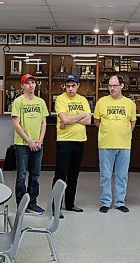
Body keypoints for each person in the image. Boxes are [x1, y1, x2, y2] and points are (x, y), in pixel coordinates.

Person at [94, 75, 136, 213]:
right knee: (105, 175)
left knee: (122, 175)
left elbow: (132, 122)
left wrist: (123, 133)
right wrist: (108, 131)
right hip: (106, 144)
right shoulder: (101, 102)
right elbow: (97, 121)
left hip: (124, 145)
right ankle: (105, 202)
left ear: (122, 86)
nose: (111, 88)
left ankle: (119, 202)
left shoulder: (130, 104)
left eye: (114, 86)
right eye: (110, 86)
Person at [52, 75, 91, 214]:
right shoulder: (61, 99)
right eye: (68, 86)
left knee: (73, 175)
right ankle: (55, 207)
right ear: (65, 86)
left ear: (78, 86)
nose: (70, 88)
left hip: (79, 141)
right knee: (61, 175)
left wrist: (70, 119)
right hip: (64, 141)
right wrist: (80, 115)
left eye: (73, 85)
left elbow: (88, 121)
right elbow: (65, 119)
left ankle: (70, 204)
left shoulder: (83, 100)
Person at [12, 74, 49, 214]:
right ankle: (21, 205)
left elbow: (44, 122)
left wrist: (40, 140)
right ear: (22, 86)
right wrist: (28, 140)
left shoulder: (41, 102)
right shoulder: (18, 102)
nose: (31, 85)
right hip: (22, 145)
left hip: (38, 145)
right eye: (27, 83)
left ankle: (32, 203)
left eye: (33, 82)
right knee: (21, 176)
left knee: (35, 176)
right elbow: (16, 123)